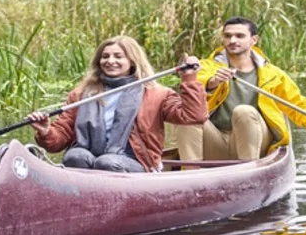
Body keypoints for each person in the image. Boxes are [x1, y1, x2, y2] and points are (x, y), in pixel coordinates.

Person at [27, 36, 206, 172]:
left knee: (106, 162)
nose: (110, 61)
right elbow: (57, 142)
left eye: (118, 56)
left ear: (132, 62)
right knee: (75, 155)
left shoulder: (157, 94)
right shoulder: (81, 94)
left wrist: (189, 78)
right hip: (91, 158)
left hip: (136, 162)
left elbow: (194, 116)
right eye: (105, 56)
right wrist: (45, 131)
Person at [177, 17, 306, 162]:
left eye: (240, 36)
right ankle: (190, 177)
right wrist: (212, 82)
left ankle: (248, 172)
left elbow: (298, 105)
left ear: (253, 40)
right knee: (188, 117)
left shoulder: (273, 74)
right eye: (228, 36)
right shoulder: (207, 67)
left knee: (244, 111)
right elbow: (194, 87)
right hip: (216, 141)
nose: (232, 40)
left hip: (255, 143)